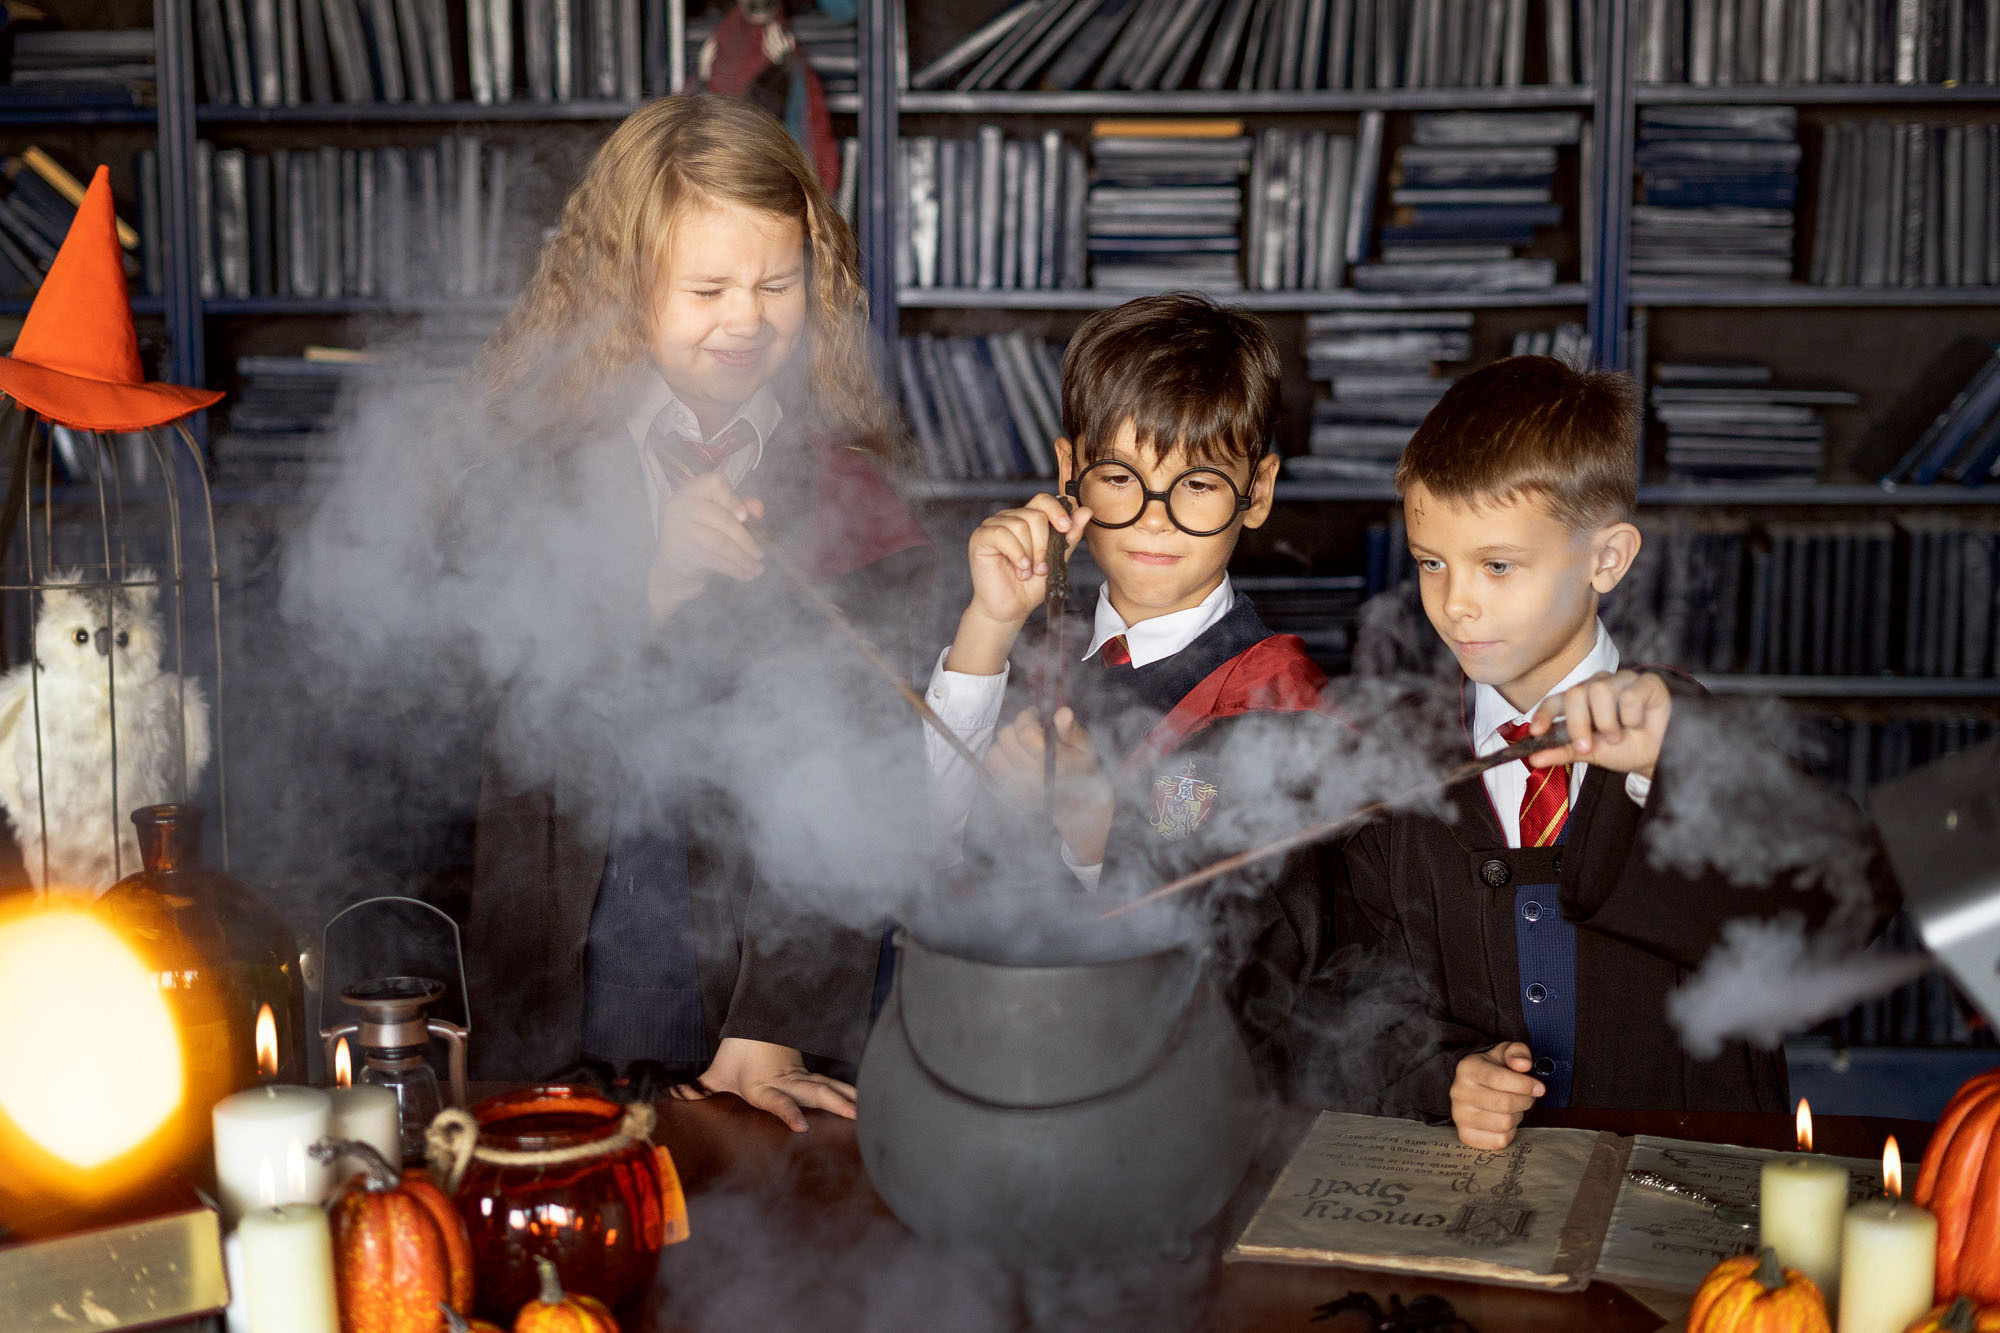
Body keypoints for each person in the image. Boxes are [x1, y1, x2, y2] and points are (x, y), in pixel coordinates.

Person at [465, 94, 929, 1130]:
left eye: (774, 283)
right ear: (622, 291)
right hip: (562, 976)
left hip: (754, 1012)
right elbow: (500, 725)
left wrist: (773, 1021)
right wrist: (655, 587)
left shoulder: (847, 493)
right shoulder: (536, 471)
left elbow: (866, 778)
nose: (745, 318)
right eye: (707, 286)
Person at [1331, 355, 1894, 1148]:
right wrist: (1446, 1071)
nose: (1455, 602)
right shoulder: (1396, 765)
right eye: (1431, 562)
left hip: (1688, 1204)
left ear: (1607, 558)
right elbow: (1359, 992)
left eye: (1498, 565)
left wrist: (1681, 766)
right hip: (1480, 1207)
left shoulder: (1693, 735)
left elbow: (1850, 906)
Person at [924, 292, 1347, 1087]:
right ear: (1069, 472)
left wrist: (1090, 836)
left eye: (1196, 485)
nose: (1154, 521)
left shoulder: (1270, 703)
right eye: (1119, 476)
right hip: (998, 1060)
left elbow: (1230, 954)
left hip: (1166, 1097)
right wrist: (989, 622)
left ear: (1256, 492)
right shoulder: (1049, 640)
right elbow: (924, 838)